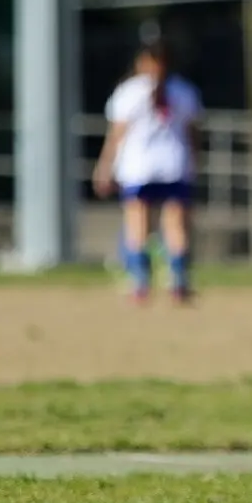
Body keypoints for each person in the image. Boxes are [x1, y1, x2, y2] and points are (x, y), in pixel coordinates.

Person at [95, 40, 203, 306]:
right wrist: (196, 162)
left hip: (138, 166)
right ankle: (178, 281)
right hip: (175, 163)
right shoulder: (184, 90)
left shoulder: (129, 91)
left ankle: (140, 283)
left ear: (141, 62)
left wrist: (105, 166)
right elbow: (193, 134)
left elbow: (117, 135)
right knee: (176, 225)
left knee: (137, 224)